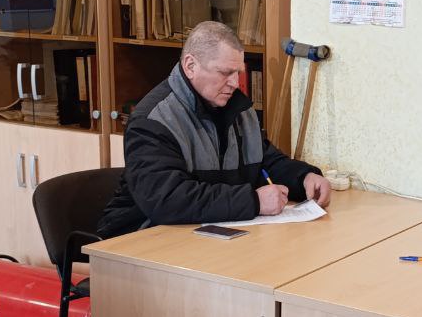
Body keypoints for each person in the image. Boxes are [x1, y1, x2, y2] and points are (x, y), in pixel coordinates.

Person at [98, 20, 331, 236]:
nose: (235, 83)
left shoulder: (239, 109)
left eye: (237, 73)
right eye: (225, 73)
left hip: (204, 235)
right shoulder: (153, 120)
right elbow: (167, 200)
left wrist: (304, 177)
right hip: (140, 239)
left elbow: (265, 163)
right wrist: (253, 201)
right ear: (190, 65)